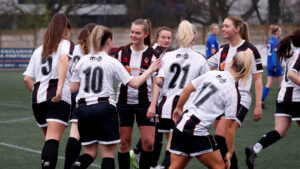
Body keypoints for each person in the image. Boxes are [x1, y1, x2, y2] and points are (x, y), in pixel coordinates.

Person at [69, 25, 162, 169]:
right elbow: (135, 83)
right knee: (108, 155)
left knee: (89, 153)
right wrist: (150, 69)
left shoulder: (82, 61)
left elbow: (73, 88)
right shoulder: (111, 61)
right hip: (103, 107)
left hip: (82, 109)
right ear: (109, 41)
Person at [169, 51, 253, 169]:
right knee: (219, 167)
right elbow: (229, 128)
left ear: (232, 63)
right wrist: (230, 151)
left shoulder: (212, 74)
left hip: (181, 125)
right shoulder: (233, 93)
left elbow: (188, 89)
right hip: (196, 131)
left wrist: (178, 108)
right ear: (247, 72)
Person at [207, 15, 263, 169]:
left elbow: (258, 80)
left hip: (240, 98)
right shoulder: (222, 50)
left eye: (226, 26)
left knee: (220, 134)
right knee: (221, 140)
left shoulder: (250, 50)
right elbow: (204, 64)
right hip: (220, 99)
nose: (222, 29)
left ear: (237, 29)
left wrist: (258, 105)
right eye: (222, 25)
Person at [154, 20, 210, 169]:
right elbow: (206, 86)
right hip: (184, 108)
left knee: (174, 146)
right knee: (174, 148)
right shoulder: (199, 58)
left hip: (165, 107)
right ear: (194, 36)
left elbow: (159, 81)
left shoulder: (167, 56)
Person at [23, 13, 73, 169]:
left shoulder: (39, 50)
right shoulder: (66, 44)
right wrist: (59, 89)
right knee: (52, 140)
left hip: (38, 98)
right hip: (57, 97)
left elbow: (27, 78)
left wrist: (37, 94)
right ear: (66, 30)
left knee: (49, 141)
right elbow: (64, 60)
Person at [245, 28, 300, 169]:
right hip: (295, 98)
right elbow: (293, 75)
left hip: (283, 97)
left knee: (280, 130)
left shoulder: (291, 52)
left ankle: (255, 149)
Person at [115, 19, 160, 169]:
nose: (133, 35)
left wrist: (153, 105)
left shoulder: (153, 55)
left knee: (149, 143)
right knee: (124, 143)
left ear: (146, 34)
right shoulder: (122, 53)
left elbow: (157, 84)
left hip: (145, 103)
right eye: (132, 32)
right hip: (124, 102)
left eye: (137, 33)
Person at [130, 26, 173, 169]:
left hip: (158, 96)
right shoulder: (156, 53)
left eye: (169, 38)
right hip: (151, 97)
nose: (166, 40)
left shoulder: (164, 52)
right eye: (163, 37)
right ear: (157, 38)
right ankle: (150, 163)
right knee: (157, 131)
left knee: (157, 130)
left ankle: (138, 153)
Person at [64, 23, 96, 169]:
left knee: (75, 133)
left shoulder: (73, 49)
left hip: (73, 93)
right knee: (91, 144)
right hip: (91, 94)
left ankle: (69, 165)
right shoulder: (95, 51)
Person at [261, 25, 283, 109]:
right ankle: (280, 100)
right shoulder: (276, 41)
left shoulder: (271, 40)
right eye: (280, 31)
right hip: (275, 65)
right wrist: (275, 66)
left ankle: (261, 100)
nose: (281, 32)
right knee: (282, 84)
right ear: (277, 32)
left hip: (269, 65)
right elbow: (274, 54)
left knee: (269, 83)